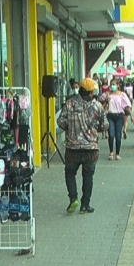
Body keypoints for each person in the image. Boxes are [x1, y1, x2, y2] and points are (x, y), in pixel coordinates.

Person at [57, 78, 108, 214]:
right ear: (91, 93)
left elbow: (61, 122)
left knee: (70, 173)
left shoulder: (69, 104)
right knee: (88, 176)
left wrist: (71, 128)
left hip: (72, 148)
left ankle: (73, 198)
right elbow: (105, 125)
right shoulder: (97, 106)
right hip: (91, 149)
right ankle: (85, 205)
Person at [100, 79, 134, 160]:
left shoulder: (122, 95)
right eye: (111, 84)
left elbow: (127, 106)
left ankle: (117, 153)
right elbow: (101, 104)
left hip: (119, 116)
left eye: (114, 84)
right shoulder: (107, 94)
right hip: (110, 115)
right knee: (111, 134)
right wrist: (106, 101)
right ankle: (111, 152)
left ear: (118, 85)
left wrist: (132, 116)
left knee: (118, 135)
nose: (112, 86)